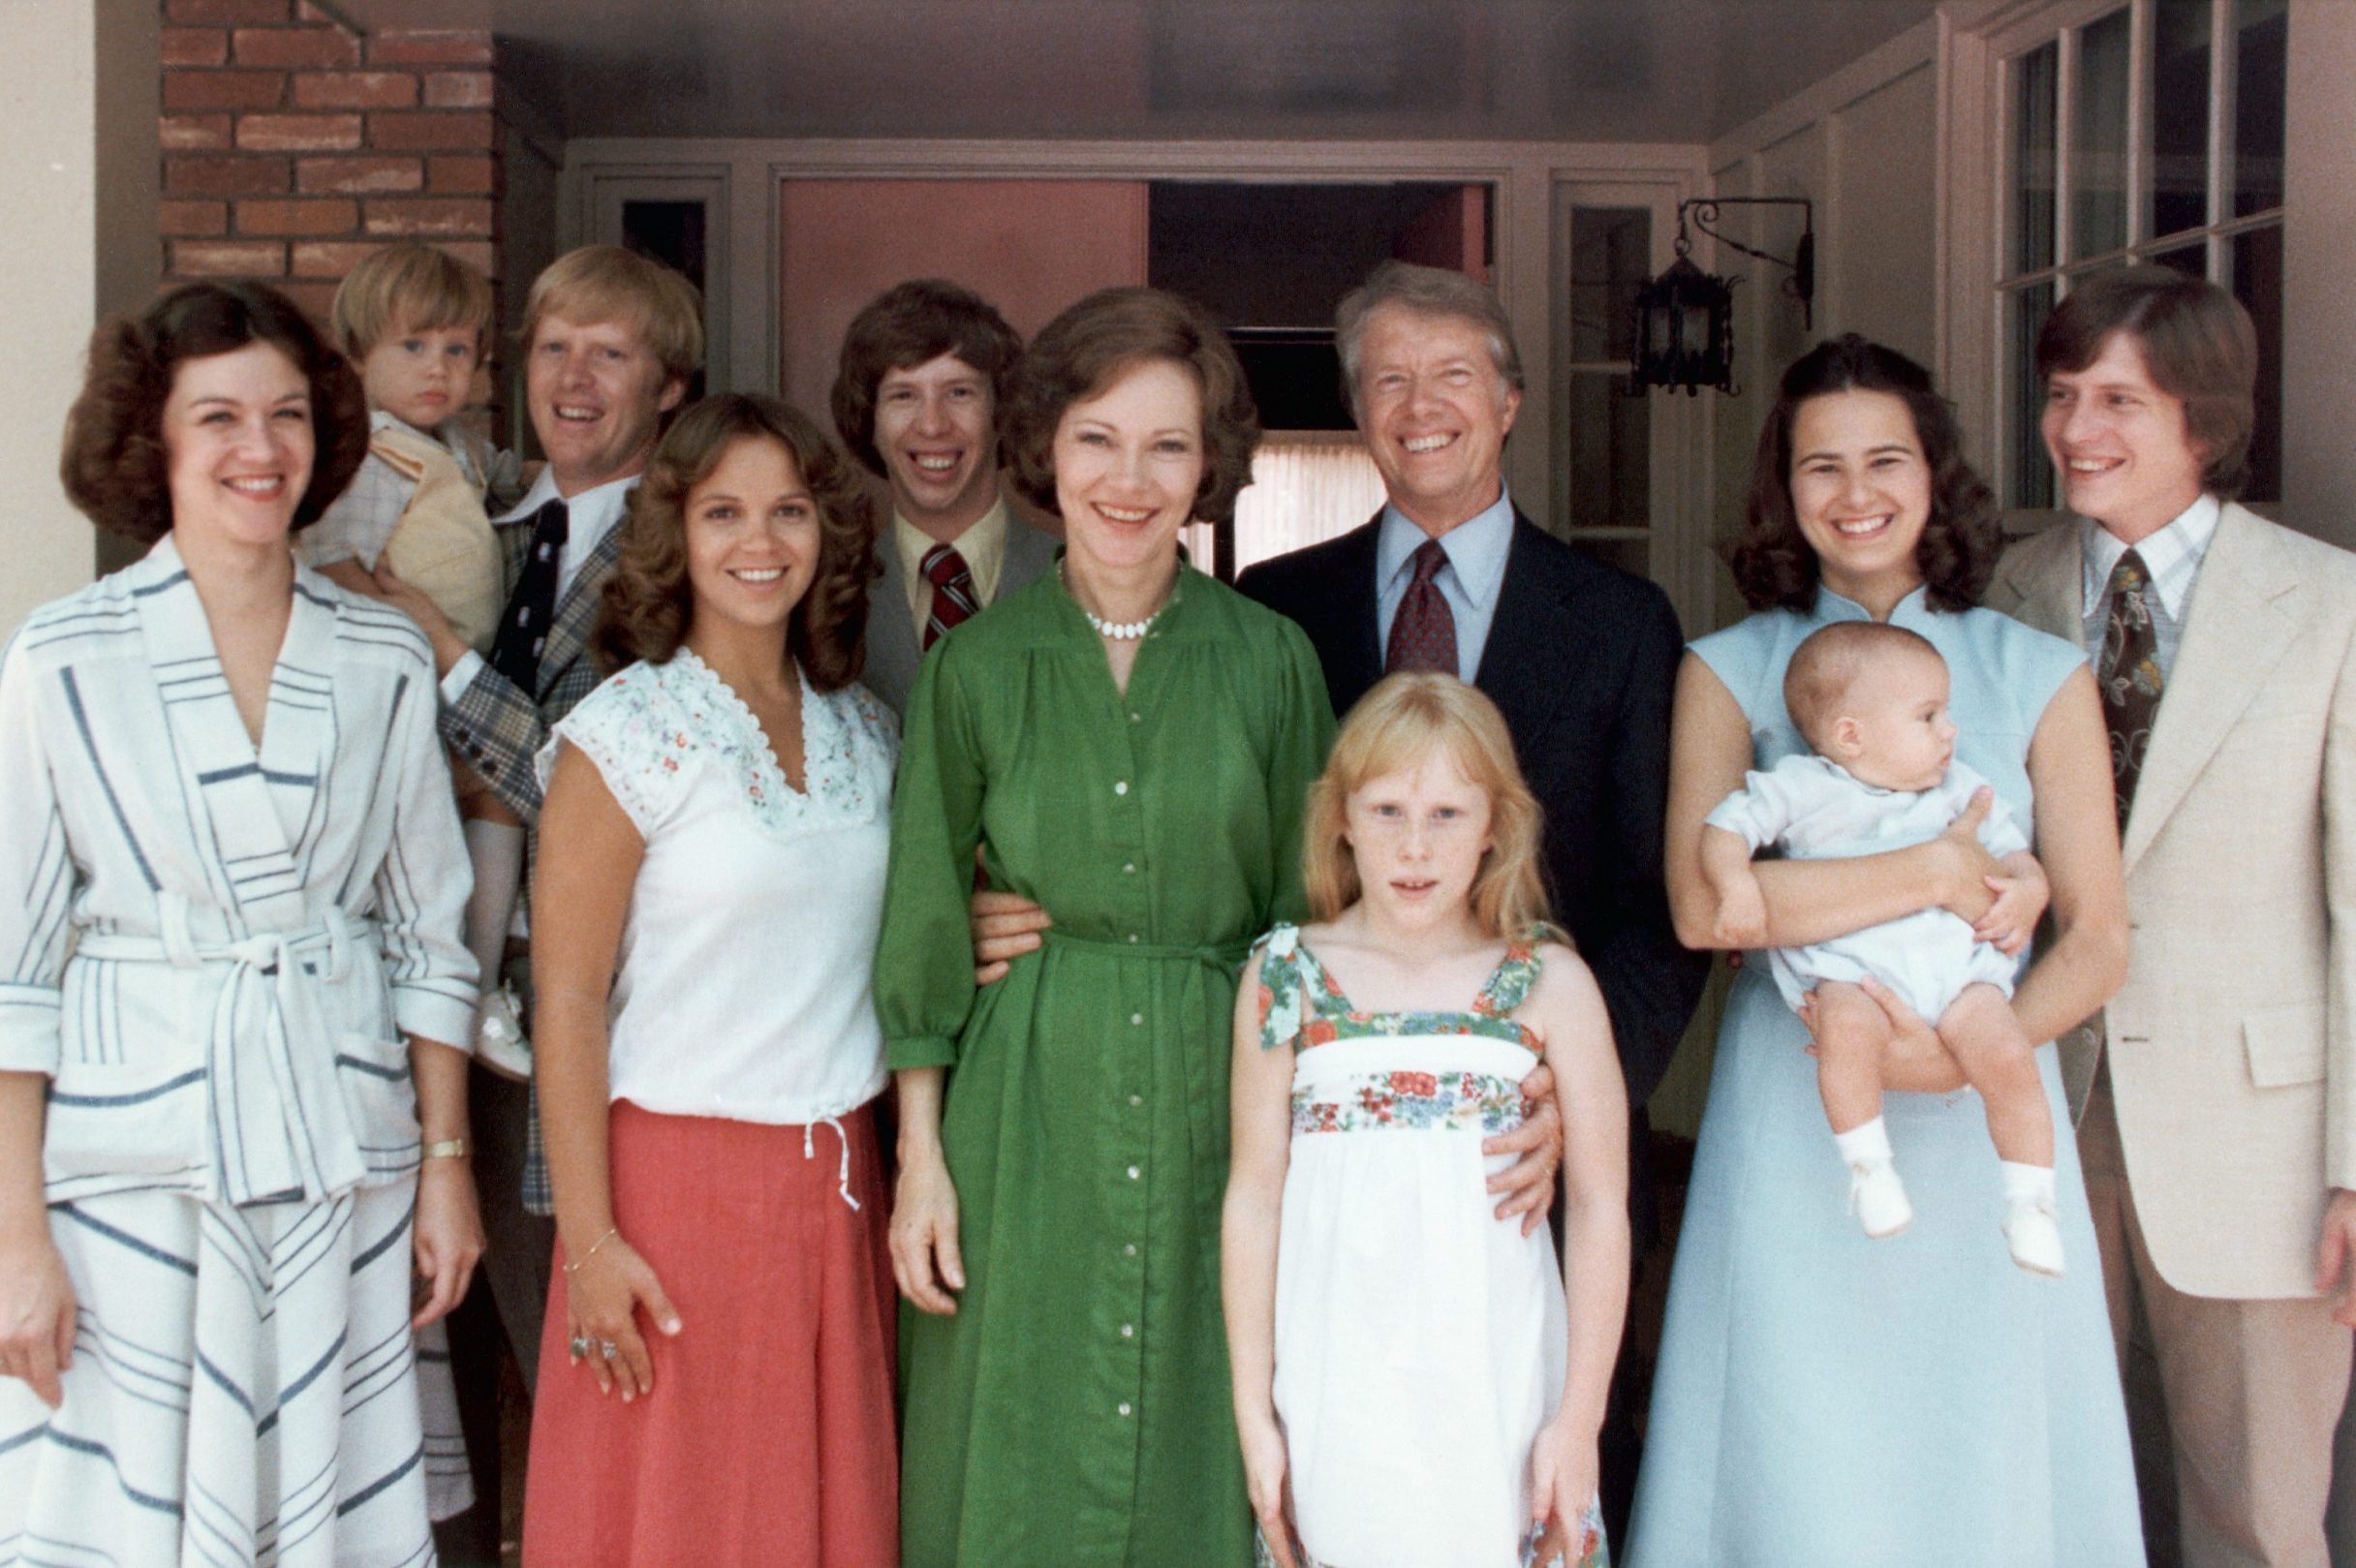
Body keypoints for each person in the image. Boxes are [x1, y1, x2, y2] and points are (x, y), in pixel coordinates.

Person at [1628, 334, 2142, 1567]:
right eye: (1819, 466)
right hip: (1794, 1102)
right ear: (1781, 489)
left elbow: (2098, 934)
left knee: (1976, 1426)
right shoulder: (1723, 667)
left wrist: (1968, 1054)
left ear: (1934, 473)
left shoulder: (2036, 669)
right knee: (1795, 1421)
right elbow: (1708, 910)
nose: (1853, 493)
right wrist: (1930, 872)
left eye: (1883, 459)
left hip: (1983, 1107)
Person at [0, 280, 482, 1563]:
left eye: (283, 415)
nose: (256, 449)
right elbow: (14, 967)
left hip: (341, 1152)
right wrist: (13, 1237)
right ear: (150, 440)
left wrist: (446, 1169)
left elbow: (429, 935)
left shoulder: (379, 653)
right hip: (127, 1174)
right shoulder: (62, 655)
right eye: (215, 415)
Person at [878, 286, 1334, 1567]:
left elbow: (1310, 925)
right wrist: (921, 1158)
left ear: (1208, 468)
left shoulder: (1272, 659)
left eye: (1167, 445)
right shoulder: (976, 663)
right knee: (1013, 1423)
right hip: (1023, 1101)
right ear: (1045, 448)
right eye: (1096, 437)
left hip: (1221, 1095)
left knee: (1205, 1409)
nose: (1128, 478)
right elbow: (923, 908)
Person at [1984, 267, 2356, 1568]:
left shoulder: (2331, 603)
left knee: (2256, 1519)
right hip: (2042, 1115)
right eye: (2062, 392)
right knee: (2049, 1502)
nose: (2075, 424)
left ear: (2203, 416)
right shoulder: (2004, 593)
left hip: (2261, 1144)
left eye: (2118, 398)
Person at [519, 395, 897, 1565]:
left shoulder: (866, 729)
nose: (760, 540)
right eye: (723, 510)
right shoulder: (622, 732)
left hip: (836, 1196)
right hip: (673, 1198)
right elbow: (567, 1000)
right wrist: (589, 1242)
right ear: (673, 533)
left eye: (788, 510)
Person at [364, 244, 703, 1410]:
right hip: (415, 1009)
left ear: (667, 387)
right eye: (554, 348)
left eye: (610, 353)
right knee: (413, 1381)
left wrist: (439, 651)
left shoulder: (683, 552)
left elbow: (595, 791)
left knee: (572, 1363)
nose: (573, 376)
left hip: (571, 1024)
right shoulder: (476, 522)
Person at [1224, 672, 1624, 1568]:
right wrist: (1257, 1412)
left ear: (1495, 826)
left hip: (1500, 1386)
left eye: (1447, 813)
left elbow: (1600, 1205)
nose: (1415, 846)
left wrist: (1581, 1417)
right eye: (1388, 809)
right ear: (1341, 818)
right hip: (1340, 1391)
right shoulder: (1285, 976)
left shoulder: (1550, 983)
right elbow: (1254, 1195)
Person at [1700, 620, 2062, 1272]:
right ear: (1850, 735)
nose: (1950, 729)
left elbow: (2016, 854)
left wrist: (2030, 887)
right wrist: (1735, 885)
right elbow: (1725, 829)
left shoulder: (1959, 789)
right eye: (1928, 716)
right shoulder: (1801, 785)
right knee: (1843, 1033)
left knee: (2009, 1055)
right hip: (1853, 968)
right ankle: (1869, 1167)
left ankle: (2030, 1200)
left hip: (1958, 972)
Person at [303, 241, 531, 1083]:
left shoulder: (455, 444)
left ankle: (484, 963)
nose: (440, 368)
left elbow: (511, 484)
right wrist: (399, 644)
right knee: (465, 811)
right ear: (360, 353)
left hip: (460, 668)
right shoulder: (368, 455)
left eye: (459, 350)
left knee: (498, 804)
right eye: (413, 347)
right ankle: (466, 985)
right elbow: (335, 564)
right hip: (407, 676)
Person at [829, 277, 1057, 715]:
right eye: (903, 395)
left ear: (1001, 412)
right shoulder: (830, 593)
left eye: (959, 392)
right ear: (869, 422)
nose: (932, 425)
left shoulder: (1075, 581)